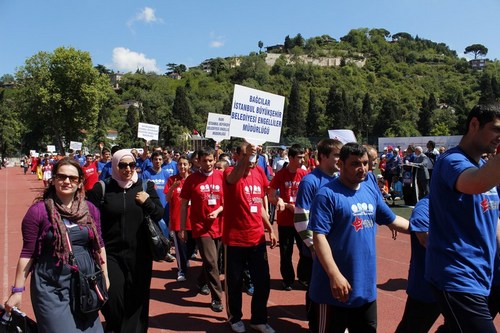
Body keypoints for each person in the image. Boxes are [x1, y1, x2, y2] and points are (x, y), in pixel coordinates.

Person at [309, 143, 410, 333]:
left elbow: (393, 219)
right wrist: (334, 275)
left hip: (365, 290)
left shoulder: (369, 190)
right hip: (332, 292)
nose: (362, 168)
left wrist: (422, 229)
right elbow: (318, 236)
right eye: (355, 163)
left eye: (365, 163)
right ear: (341, 164)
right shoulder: (326, 195)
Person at [4, 157, 108, 332]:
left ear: (80, 182)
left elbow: (99, 245)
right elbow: (27, 253)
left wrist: (105, 277)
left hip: (84, 283)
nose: (67, 181)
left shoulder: (90, 210)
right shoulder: (38, 212)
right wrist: (17, 290)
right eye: (61, 176)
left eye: (73, 178)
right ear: (53, 179)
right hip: (50, 286)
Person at [425, 102, 500, 332]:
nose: (499, 137)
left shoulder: (485, 165)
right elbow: (475, 182)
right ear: (474, 124)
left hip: (484, 275)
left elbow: (494, 220)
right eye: (496, 129)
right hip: (458, 275)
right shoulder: (451, 161)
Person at [87, 149, 164, 333]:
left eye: (132, 165)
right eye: (122, 165)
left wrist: (148, 203)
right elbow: (88, 218)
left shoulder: (146, 186)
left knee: (138, 299)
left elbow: (159, 213)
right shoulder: (102, 188)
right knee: (112, 298)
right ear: (115, 165)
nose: (128, 169)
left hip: (140, 254)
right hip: (110, 254)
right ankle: (117, 326)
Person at [223, 142, 277, 333]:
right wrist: (246, 156)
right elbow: (233, 177)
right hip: (235, 239)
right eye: (247, 154)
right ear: (238, 155)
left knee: (262, 281)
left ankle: (259, 319)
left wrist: (270, 227)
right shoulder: (230, 171)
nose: (253, 159)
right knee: (235, 283)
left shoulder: (260, 173)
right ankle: (234, 317)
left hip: (257, 239)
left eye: (254, 155)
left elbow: (259, 204)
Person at [294, 138, 343, 333]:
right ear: (323, 157)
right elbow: (300, 218)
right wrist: (313, 246)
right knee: (318, 289)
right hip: (318, 247)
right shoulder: (310, 181)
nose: (340, 159)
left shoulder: (341, 179)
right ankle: (316, 324)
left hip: (338, 246)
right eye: (336, 155)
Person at [179, 147, 224, 313]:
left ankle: (200, 280)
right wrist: (182, 228)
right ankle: (217, 298)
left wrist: (219, 211)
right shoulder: (192, 180)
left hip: (219, 225)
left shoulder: (222, 176)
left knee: (212, 261)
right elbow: (183, 204)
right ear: (198, 161)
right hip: (200, 227)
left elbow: (227, 202)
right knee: (212, 262)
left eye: (211, 160)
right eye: (205, 160)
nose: (209, 164)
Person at [395, 196, 448, 332]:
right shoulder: (424, 207)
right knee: (413, 328)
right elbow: (426, 240)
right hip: (427, 287)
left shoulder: (465, 203)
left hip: (457, 284)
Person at [269, 144, 308, 291]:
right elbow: (271, 196)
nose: (302, 160)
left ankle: (303, 277)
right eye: (299, 157)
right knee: (285, 252)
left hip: (302, 219)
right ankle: (288, 279)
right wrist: (280, 201)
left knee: (305, 251)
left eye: (303, 157)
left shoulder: (305, 175)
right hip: (285, 220)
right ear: (290, 158)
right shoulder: (280, 175)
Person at [164, 155, 196, 282]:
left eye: (185, 164)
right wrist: (173, 187)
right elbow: (167, 198)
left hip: (193, 219)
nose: (182, 167)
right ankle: (181, 270)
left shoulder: (194, 179)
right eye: (180, 164)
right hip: (178, 219)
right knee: (180, 247)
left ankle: (185, 259)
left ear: (189, 165)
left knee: (192, 246)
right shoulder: (172, 179)